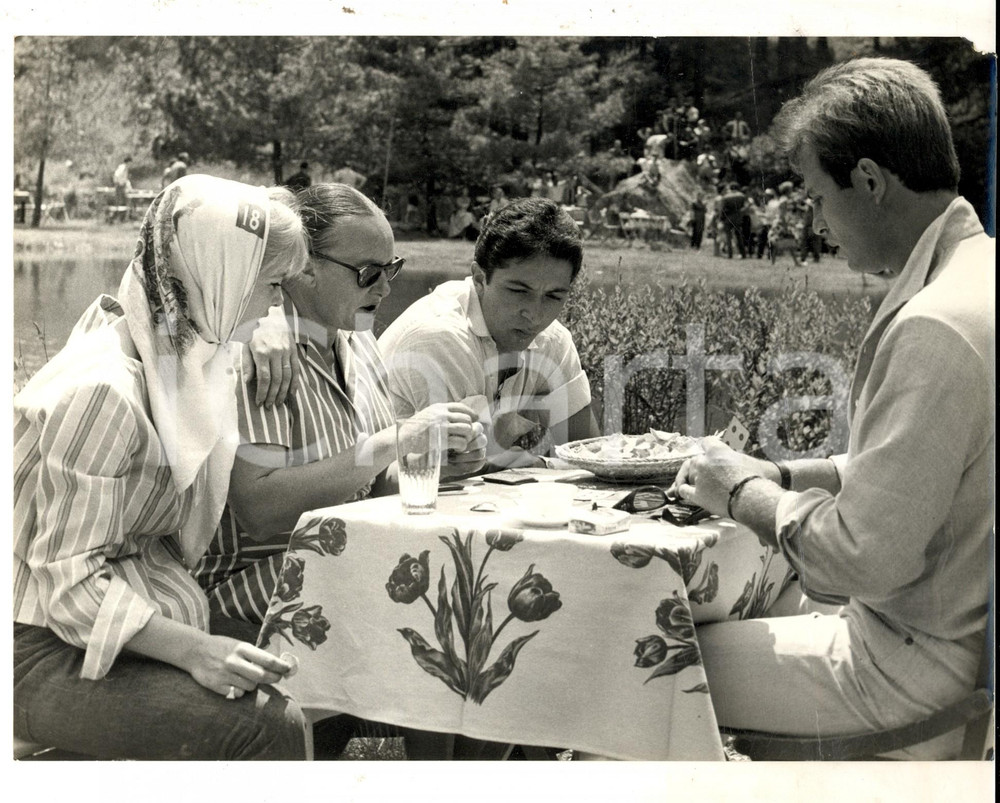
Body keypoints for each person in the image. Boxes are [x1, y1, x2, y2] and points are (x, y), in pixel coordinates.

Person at [672, 58, 994, 759]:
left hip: (910, 675)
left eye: (819, 197)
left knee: (642, 656)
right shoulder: (980, 279)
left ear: (872, 182)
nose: (816, 223)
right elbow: (919, 471)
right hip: (951, 643)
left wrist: (741, 492)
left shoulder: (935, 324)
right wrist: (786, 476)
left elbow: (859, 558)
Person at [13, 175, 313, 760]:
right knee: (265, 726)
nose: (278, 306)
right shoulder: (104, 393)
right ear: (221, 279)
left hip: (110, 632)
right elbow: (68, 583)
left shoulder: (173, 356)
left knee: (307, 652)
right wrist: (195, 650)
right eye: (272, 286)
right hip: (36, 647)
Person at [379, 197, 600, 471]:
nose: (535, 314)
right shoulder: (440, 335)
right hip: (386, 502)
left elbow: (590, 455)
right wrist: (543, 460)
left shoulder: (552, 338)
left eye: (553, 296)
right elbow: (469, 466)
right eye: (519, 291)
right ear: (480, 279)